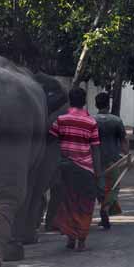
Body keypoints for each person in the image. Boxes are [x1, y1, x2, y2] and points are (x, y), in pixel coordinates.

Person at [49, 87, 102, 251]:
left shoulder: (61, 120)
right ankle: (82, 241)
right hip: (85, 169)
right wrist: (98, 174)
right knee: (84, 205)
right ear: (85, 102)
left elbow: (51, 141)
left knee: (68, 204)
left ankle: (71, 238)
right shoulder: (91, 122)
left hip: (65, 169)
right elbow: (95, 149)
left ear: (70, 101)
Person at [93, 92, 129, 230]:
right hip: (113, 160)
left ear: (96, 105)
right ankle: (106, 208)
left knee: (100, 187)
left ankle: (103, 207)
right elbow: (123, 141)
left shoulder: (91, 120)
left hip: (96, 160)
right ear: (108, 104)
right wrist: (128, 155)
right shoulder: (116, 120)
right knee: (114, 187)